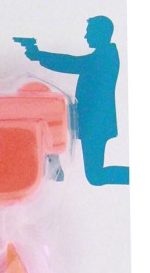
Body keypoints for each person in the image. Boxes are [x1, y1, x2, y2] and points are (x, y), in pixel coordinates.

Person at [22, 16, 129, 186]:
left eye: (89, 32)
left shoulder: (104, 57)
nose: (86, 36)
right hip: (94, 122)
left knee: (95, 176)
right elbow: (74, 63)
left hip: (95, 123)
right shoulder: (105, 55)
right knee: (95, 175)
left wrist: (38, 55)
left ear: (101, 33)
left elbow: (72, 63)